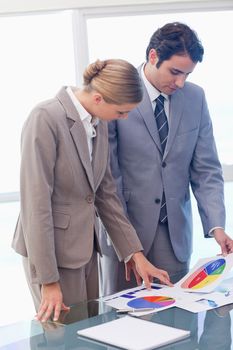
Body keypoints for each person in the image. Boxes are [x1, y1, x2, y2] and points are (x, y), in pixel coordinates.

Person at [12, 59, 172, 323]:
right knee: (60, 336)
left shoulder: (98, 122)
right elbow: (35, 206)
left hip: (85, 249)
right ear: (98, 98)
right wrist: (48, 280)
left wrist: (135, 253)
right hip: (50, 254)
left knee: (87, 329)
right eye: (122, 112)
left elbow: (105, 193)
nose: (125, 118)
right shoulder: (45, 118)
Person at [99, 22, 233, 295]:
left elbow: (206, 169)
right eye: (175, 72)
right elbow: (109, 176)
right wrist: (128, 245)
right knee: (123, 324)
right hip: (125, 233)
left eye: (187, 74)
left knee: (175, 321)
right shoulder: (120, 92)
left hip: (174, 239)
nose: (180, 82)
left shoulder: (195, 97)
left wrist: (217, 225)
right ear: (152, 56)